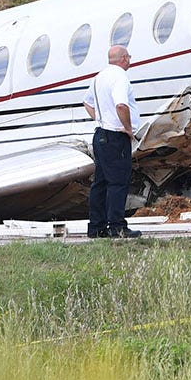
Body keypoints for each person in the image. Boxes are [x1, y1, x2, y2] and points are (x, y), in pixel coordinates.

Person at [83, 44, 141, 238]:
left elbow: (87, 102)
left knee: (100, 182)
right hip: (115, 136)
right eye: (129, 57)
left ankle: (96, 227)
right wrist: (128, 128)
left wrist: (100, 118)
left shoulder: (99, 77)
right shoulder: (120, 78)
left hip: (100, 134)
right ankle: (117, 226)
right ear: (124, 58)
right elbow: (121, 105)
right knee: (118, 182)